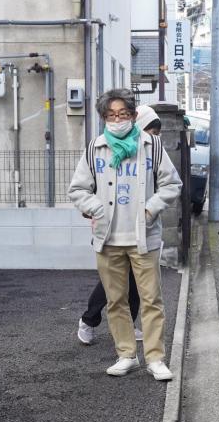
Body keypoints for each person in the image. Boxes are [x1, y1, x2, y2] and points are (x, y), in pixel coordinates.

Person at [69, 93, 182, 380]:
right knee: (116, 301)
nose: (117, 120)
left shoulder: (152, 145)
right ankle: (126, 355)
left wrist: (150, 210)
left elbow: (171, 184)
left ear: (133, 116)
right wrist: (95, 208)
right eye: (111, 115)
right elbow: (78, 189)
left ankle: (155, 358)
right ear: (104, 118)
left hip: (143, 237)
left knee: (151, 299)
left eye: (123, 114)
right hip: (108, 238)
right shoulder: (96, 148)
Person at [76, 106, 168, 346]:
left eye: (157, 132)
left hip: (140, 231)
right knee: (111, 287)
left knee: (138, 287)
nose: (154, 136)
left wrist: (150, 210)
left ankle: (130, 325)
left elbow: (166, 186)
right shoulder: (104, 150)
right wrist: (96, 209)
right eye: (151, 130)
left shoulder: (152, 153)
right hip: (110, 232)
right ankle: (89, 320)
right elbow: (87, 189)